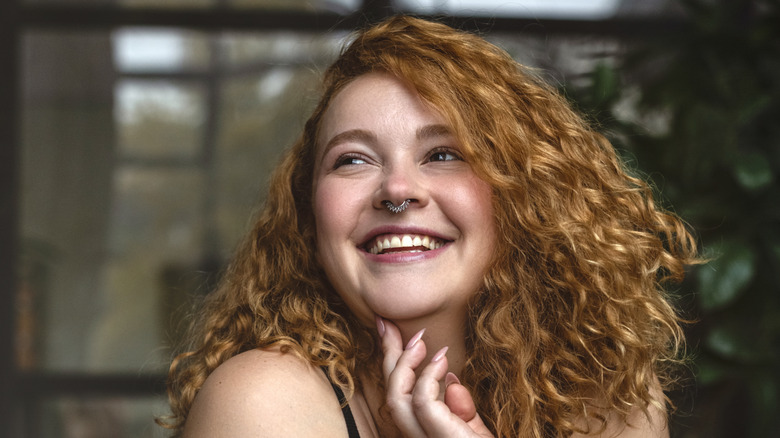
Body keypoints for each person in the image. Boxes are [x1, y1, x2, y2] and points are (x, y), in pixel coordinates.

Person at [160, 15, 699, 438]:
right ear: (308, 218)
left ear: (523, 195)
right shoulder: (261, 401)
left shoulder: (611, 397)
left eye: (443, 154)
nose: (397, 190)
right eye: (352, 160)